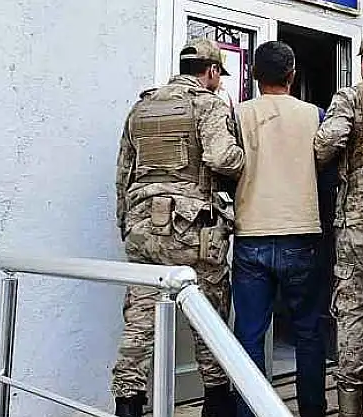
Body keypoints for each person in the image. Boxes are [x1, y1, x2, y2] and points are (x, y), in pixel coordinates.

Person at [112, 37, 243, 417]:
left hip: (142, 227)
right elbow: (223, 159)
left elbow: (124, 173)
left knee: (140, 318)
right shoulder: (208, 104)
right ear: (212, 71)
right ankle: (216, 402)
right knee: (209, 316)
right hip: (192, 229)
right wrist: (243, 156)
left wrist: (126, 222)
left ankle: (128, 403)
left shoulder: (142, 107)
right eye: (219, 75)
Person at [231, 41, 327, 417]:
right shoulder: (315, 115)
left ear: (255, 76)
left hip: (251, 234)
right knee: (309, 332)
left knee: (249, 335)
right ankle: (313, 410)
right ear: (292, 75)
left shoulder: (238, 115)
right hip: (302, 233)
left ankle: (250, 411)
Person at [313, 33, 363, 417]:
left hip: (358, 218)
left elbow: (325, 145)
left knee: (354, 311)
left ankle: (350, 408)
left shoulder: (350, 97)